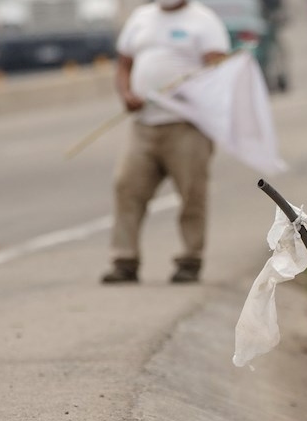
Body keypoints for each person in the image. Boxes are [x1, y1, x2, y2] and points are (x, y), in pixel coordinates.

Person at [101, 0, 231, 284]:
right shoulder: (141, 18)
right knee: (126, 186)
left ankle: (190, 259)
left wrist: (192, 92)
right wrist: (126, 94)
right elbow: (124, 65)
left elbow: (219, 70)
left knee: (191, 194)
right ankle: (124, 260)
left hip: (186, 128)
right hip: (144, 125)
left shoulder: (203, 21)